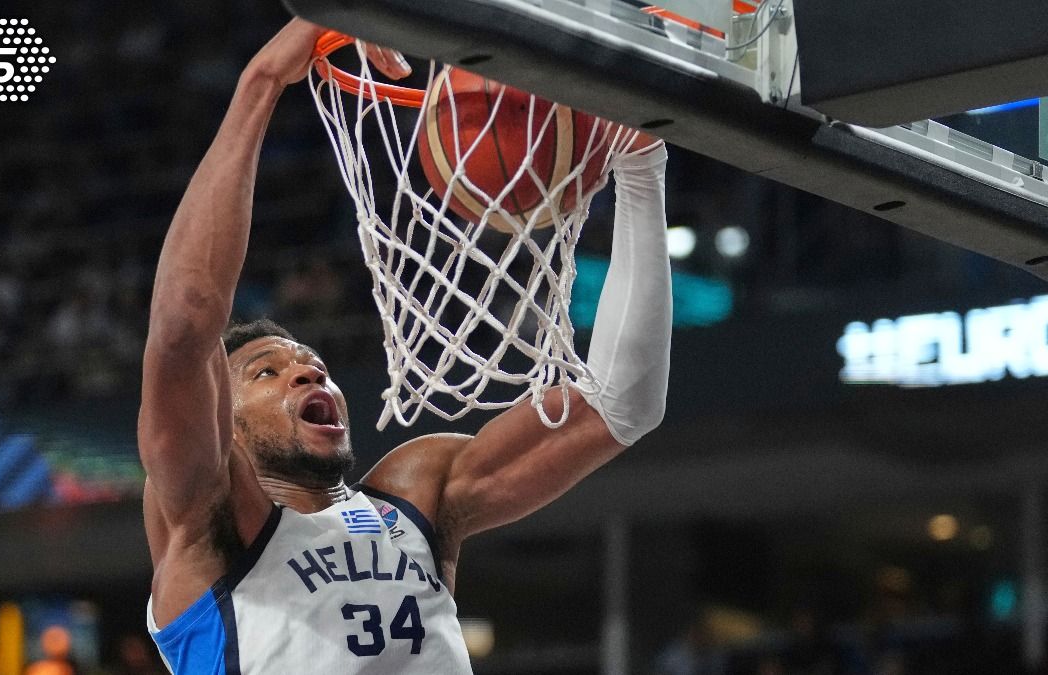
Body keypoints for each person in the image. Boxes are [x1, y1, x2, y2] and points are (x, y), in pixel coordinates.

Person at [140, 18, 672, 674]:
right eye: (266, 372)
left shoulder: (416, 496)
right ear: (222, 422)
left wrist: (641, 166)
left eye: (313, 366)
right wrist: (263, 80)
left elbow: (622, 405)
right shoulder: (209, 523)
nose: (306, 374)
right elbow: (184, 326)